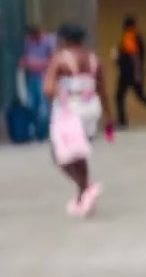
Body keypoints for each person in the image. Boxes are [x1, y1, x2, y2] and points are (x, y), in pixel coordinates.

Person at [43, 23, 113, 218]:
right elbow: (102, 90)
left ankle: (87, 187)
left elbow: (48, 88)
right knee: (79, 153)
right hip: (92, 109)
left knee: (59, 154)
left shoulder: (61, 59)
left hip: (70, 109)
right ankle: (83, 198)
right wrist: (109, 116)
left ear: (64, 39)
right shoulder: (93, 59)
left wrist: (60, 95)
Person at [20, 25, 57, 141]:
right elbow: (25, 59)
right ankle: (34, 131)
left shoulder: (48, 41)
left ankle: (43, 133)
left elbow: (53, 60)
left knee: (43, 109)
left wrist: (39, 64)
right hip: (32, 78)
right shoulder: (28, 42)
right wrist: (27, 63)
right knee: (31, 105)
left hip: (44, 77)